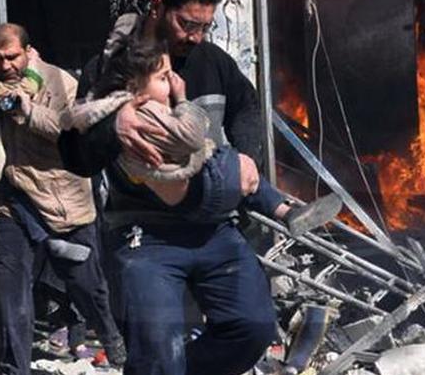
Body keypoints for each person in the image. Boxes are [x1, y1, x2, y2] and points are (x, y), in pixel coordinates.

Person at [58, 0, 278, 375]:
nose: (196, 37)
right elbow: (72, 154)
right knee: (156, 349)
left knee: (255, 326)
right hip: (144, 237)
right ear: (158, 8)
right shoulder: (110, 68)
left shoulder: (214, 63)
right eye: (187, 24)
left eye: (205, 26)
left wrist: (247, 155)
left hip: (214, 231)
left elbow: (247, 107)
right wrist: (109, 130)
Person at [65, 36, 337, 231]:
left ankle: (286, 212)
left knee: (244, 172)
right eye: (164, 78)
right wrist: (184, 101)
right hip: (194, 184)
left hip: (181, 188)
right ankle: (285, 212)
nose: (173, 83)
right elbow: (192, 135)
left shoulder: (119, 110)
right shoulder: (147, 112)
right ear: (136, 86)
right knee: (241, 166)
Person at [0, 23, 126, 375]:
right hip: (16, 203)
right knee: (10, 290)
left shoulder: (60, 82)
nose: (5, 66)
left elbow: (70, 132)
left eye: (11, 57)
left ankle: (112, 341)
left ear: (28, 52)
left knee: (87, 287)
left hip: (65, 205)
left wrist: (28, 110)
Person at [0, 31, 91, 263]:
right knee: (16, 197)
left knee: (13, 197)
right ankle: (48, 240)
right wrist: (32, 63)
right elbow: (25, 91)